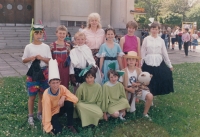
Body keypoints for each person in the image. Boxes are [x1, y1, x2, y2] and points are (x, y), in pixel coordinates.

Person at [22, 24, 52, 126]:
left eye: (40, 33)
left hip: (44, 73)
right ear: (33, 34)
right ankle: (30, 115)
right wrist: (30, 58)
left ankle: (40, 113)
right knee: (32, 96)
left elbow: (49, 60)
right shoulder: (28, 46)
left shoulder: (46, 47)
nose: (39, 35)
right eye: (36, 33)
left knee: (42, 95)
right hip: (33, 73)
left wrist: (42, 58)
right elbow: (23, 60)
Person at [42, 59, 78, 135]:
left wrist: (63, 97)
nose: (55, 85)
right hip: (51, 112)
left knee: (69, 103)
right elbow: (46, 111)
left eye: (57, 82)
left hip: (59, 108)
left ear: (60, 82)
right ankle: (55, 124)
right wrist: (47, 126)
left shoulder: (62, 88)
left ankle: (70, 124)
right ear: (49, 84)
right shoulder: (46, 94)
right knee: (58, 131)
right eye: (53, 83)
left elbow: (74, 98)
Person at [141, 21, 174, 96]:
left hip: (158, 61)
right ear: (150, 29)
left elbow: (165, 53)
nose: (154, 31)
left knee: (162, 76)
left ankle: (153, 95)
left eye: (156, 29)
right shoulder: (146, 39)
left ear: (159, 30)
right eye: (153, 29)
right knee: (148, 80)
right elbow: (142, 52)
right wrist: (141, 63)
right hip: (148, 61)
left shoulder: (161, 40)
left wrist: (169, 65)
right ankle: (148, 96)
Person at [119, 51, 153, 121]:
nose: (131, 61)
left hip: (138, 90)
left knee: (150, 96)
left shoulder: (138, 70)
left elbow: (142, 82)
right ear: (127, 61)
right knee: (130, 111)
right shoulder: (123, 71)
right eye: (129, 59)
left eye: (133, 59)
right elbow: (119, 85)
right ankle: (125, 108)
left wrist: (137, 84)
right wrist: (128, 89)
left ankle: (145, 113)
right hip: (127, 91)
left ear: (136, 61)